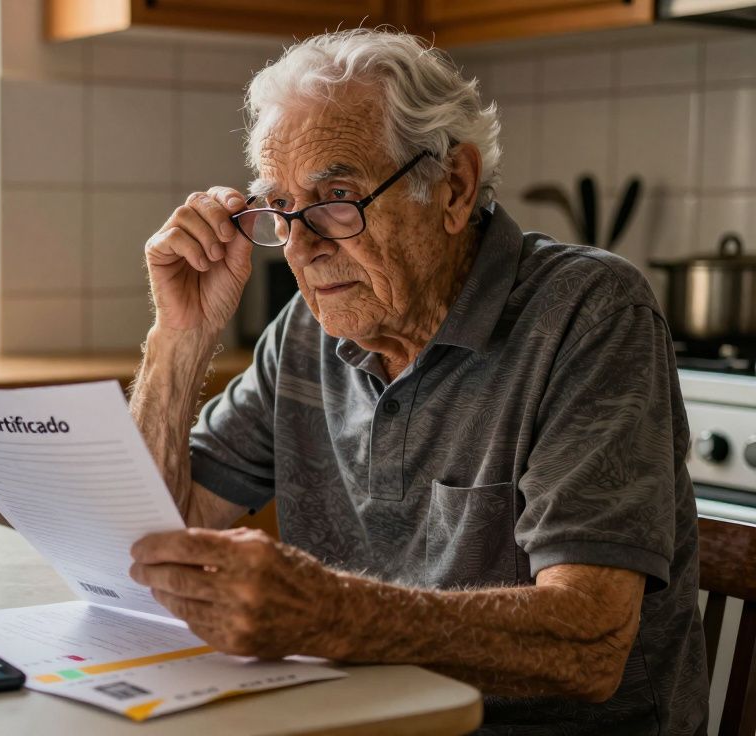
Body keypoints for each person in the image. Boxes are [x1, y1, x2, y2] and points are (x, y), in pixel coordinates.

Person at [127, 28, 707, 734]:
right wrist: (178, 339)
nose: (302, 249)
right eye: (280, 209)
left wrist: (332, 615)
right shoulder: (308, 332)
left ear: (454, 187)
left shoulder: (588, 315)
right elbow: (153, 545)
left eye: (337, 196)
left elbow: (590, 642)